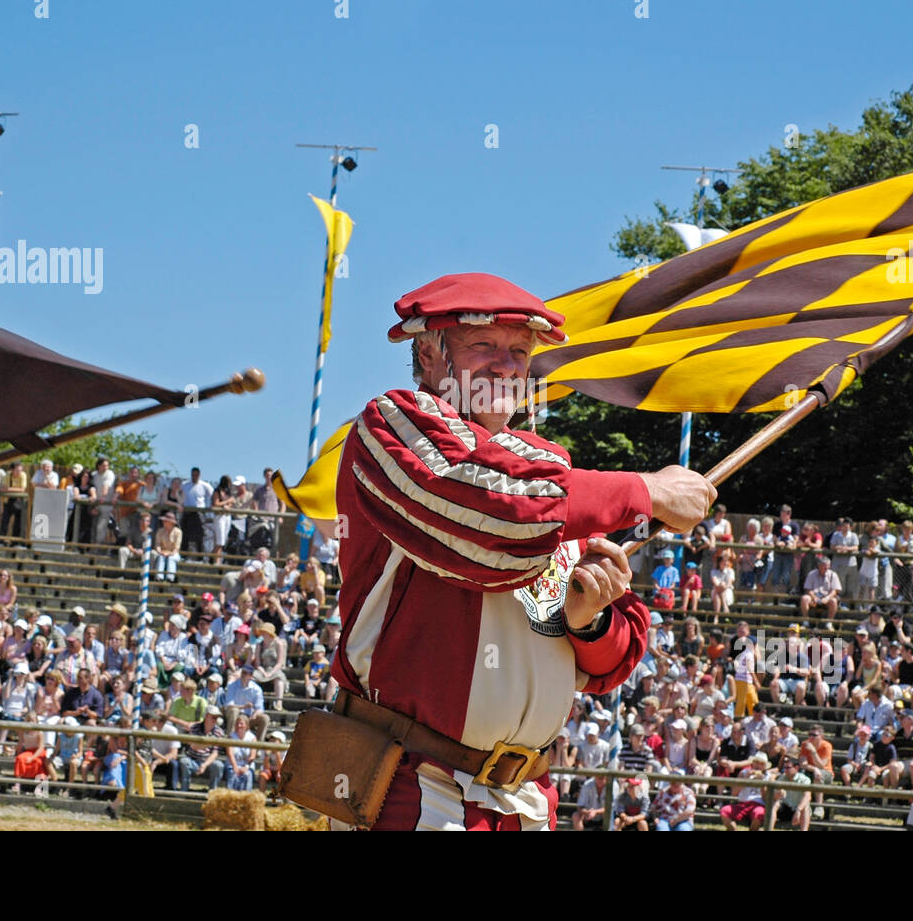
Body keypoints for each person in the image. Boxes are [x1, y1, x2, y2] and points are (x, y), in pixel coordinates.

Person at [300, 272, 710, 832]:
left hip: (525, 800)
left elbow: (614, 663)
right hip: (412, 782)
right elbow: (495, 512)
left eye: (519, 351)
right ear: (428, 351)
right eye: (483, 346)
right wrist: (646, 491)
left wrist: (587, 619)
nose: (507, 365)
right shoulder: (392, 426)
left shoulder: (556, 476)